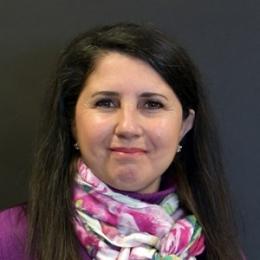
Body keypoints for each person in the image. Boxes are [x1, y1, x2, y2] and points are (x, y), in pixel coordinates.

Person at [0, 22, 243, 260]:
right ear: (73, 121)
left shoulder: (219, 249)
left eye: (152, 104)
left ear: (183, 126)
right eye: (106, 103)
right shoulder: (10, 239)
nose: (128, 127)